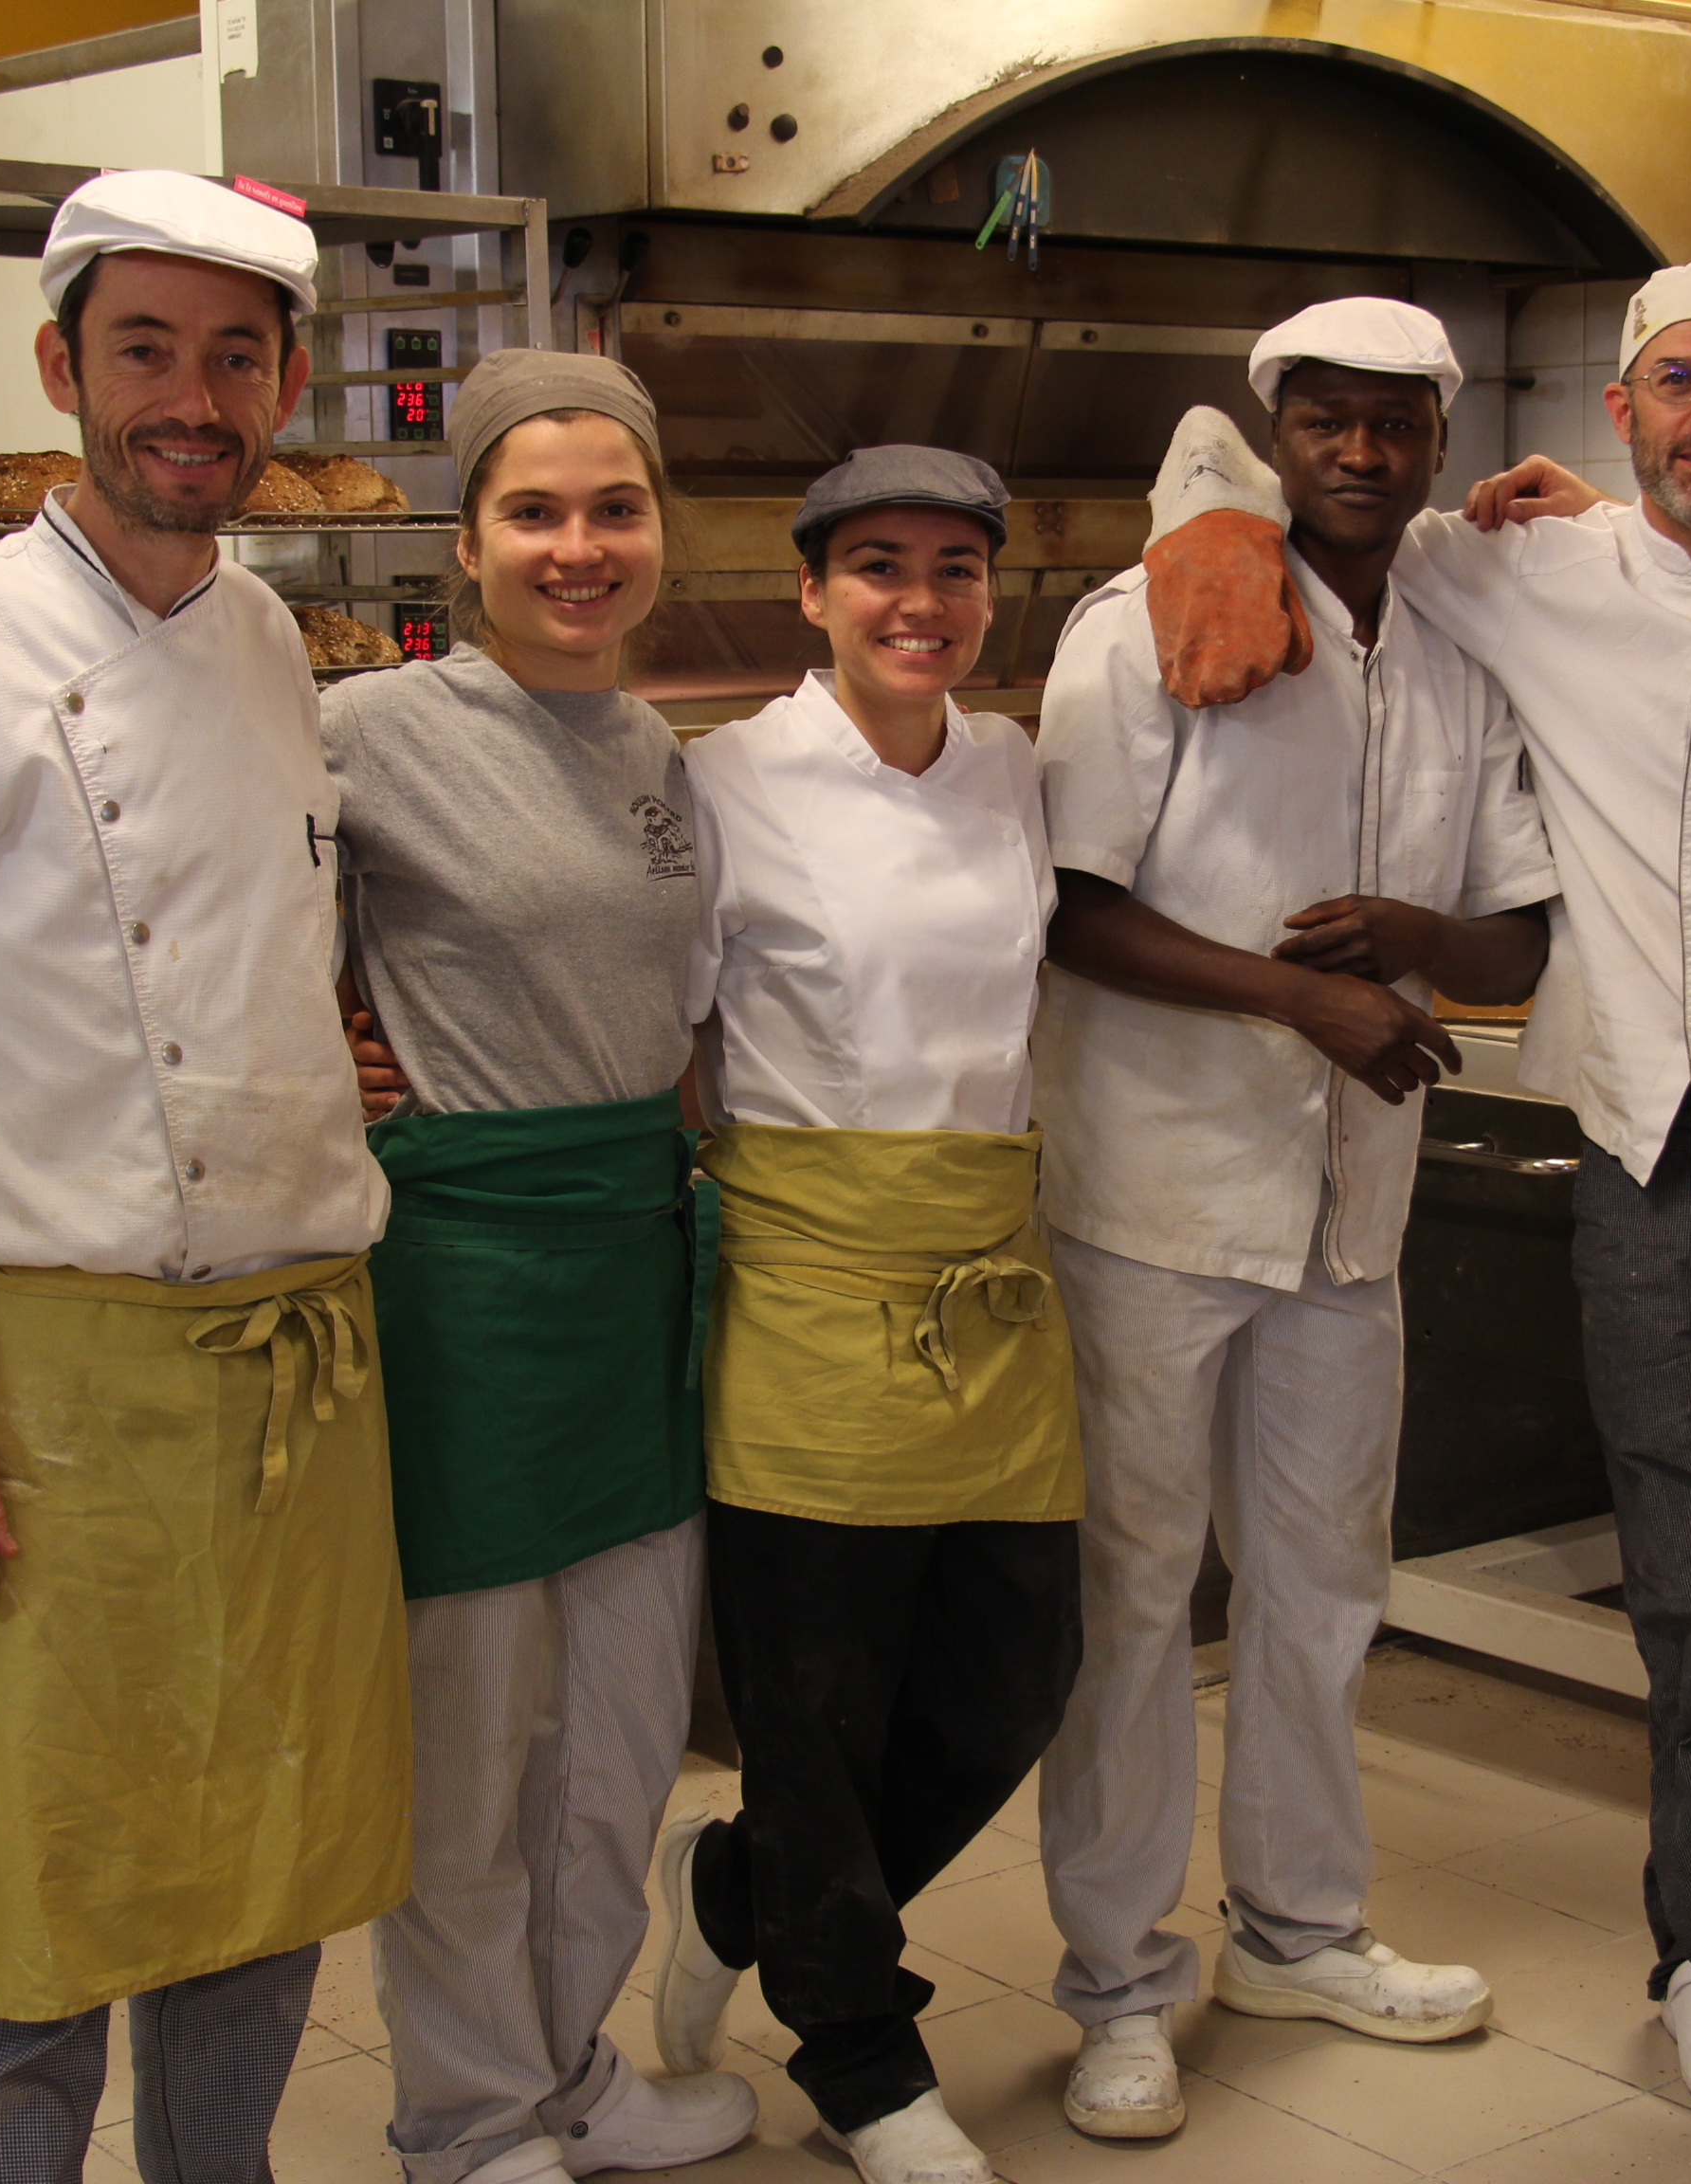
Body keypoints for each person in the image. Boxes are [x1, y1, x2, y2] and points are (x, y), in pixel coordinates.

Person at [1124, 259, 1691, 2184]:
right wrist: (1215, 525)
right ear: (1627, 417)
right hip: (1652, 1169)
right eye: (1680, 384)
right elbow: (1265, 478)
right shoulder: (1523, 573)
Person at [0, 172, 408, 2181]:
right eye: (146, 349)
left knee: (263, 1881)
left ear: (288, 382)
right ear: (64, 368)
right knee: (35, 1922)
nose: (192, 397)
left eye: (235, 355)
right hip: (63, 1387)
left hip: (296, 1372)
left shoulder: (272, 646)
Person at [1027, 299, 1560, 2147]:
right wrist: (1298, 999)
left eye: (1393, 421)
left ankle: (1297, 1930)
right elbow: (1070, 905)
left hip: (1352, 1215)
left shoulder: (1460, 654)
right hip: (1155, 1200)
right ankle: (1115, 1981)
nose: (1358, 448)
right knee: (1130, 1608)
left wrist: (1411, 953)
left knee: (1326, 1597)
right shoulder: (1151, 626)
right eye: (1321, 419)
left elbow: (1515, 933)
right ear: (1277, 433)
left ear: (1437, 434)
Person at [326, 351, 754, 2184]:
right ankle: (468, 2114)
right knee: (473, 1744)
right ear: (465, 541)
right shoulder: (367, 731)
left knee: (624, 1729)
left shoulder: (655, 748)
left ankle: (575, 2070)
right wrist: (315, 1039)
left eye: (614, 508)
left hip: (634, 1263)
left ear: (658, 527)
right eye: (535, 512)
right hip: (470, 1278)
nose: (578, 549)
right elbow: (196, 928)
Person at [644, 447, 1083, 2184]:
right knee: (815, 1703)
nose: (922, 601)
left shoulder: (1015, 769)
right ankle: (861, 2050)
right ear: (810, 593)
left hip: (990, 1268)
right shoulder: (726, 781)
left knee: (1010, 1676)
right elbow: (680, 1035)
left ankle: (743, 1889)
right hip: (812, 1269)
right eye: (880, 566)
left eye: (959, 567)